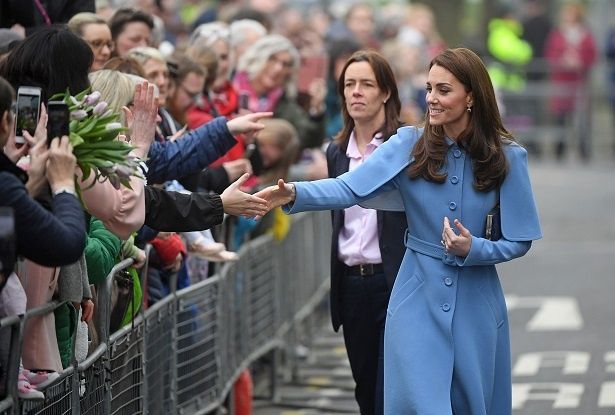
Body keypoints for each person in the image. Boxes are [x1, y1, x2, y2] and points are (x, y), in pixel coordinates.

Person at [256, 47, 542, 414]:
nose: (431, 100)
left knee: (472, 404)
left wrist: (476, 249)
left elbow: (518, 240)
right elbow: (349, 187)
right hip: (415, 297)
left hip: (477, 301)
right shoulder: (408, 143)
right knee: (420, 403)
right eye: (429, 88)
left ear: (471, 96)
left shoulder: (508, 156)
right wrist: (293, 193)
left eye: (443, 90)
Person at [323, 50, 408, 415]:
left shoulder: (403, 148)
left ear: (385, 92)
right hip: (351, 283)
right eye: (349, 85)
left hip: (393, 281)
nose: (356, 92)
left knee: (393, 390)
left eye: (366, 84)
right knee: (366, 390)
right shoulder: (336, 152)